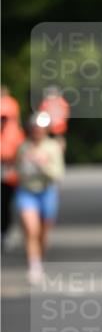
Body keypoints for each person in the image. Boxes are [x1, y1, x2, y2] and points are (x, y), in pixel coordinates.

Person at [15, 112, 65, 284]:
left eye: (40, 128)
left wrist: (43, 164)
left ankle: (39, 259)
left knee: (43, 234)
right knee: (31, 230)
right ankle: (34, 266)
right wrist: (26, 163)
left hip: (47, 192)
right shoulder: (23, 147)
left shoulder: (52, 147)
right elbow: (18, 172)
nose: (37, 131)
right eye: (35, 128)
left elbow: (58, 175)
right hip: (27, 192)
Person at [1, 88, 25, 250]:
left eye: (4, 119)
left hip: (8, 169)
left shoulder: (15, 133)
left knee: (6, 202)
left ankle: (5, 231)